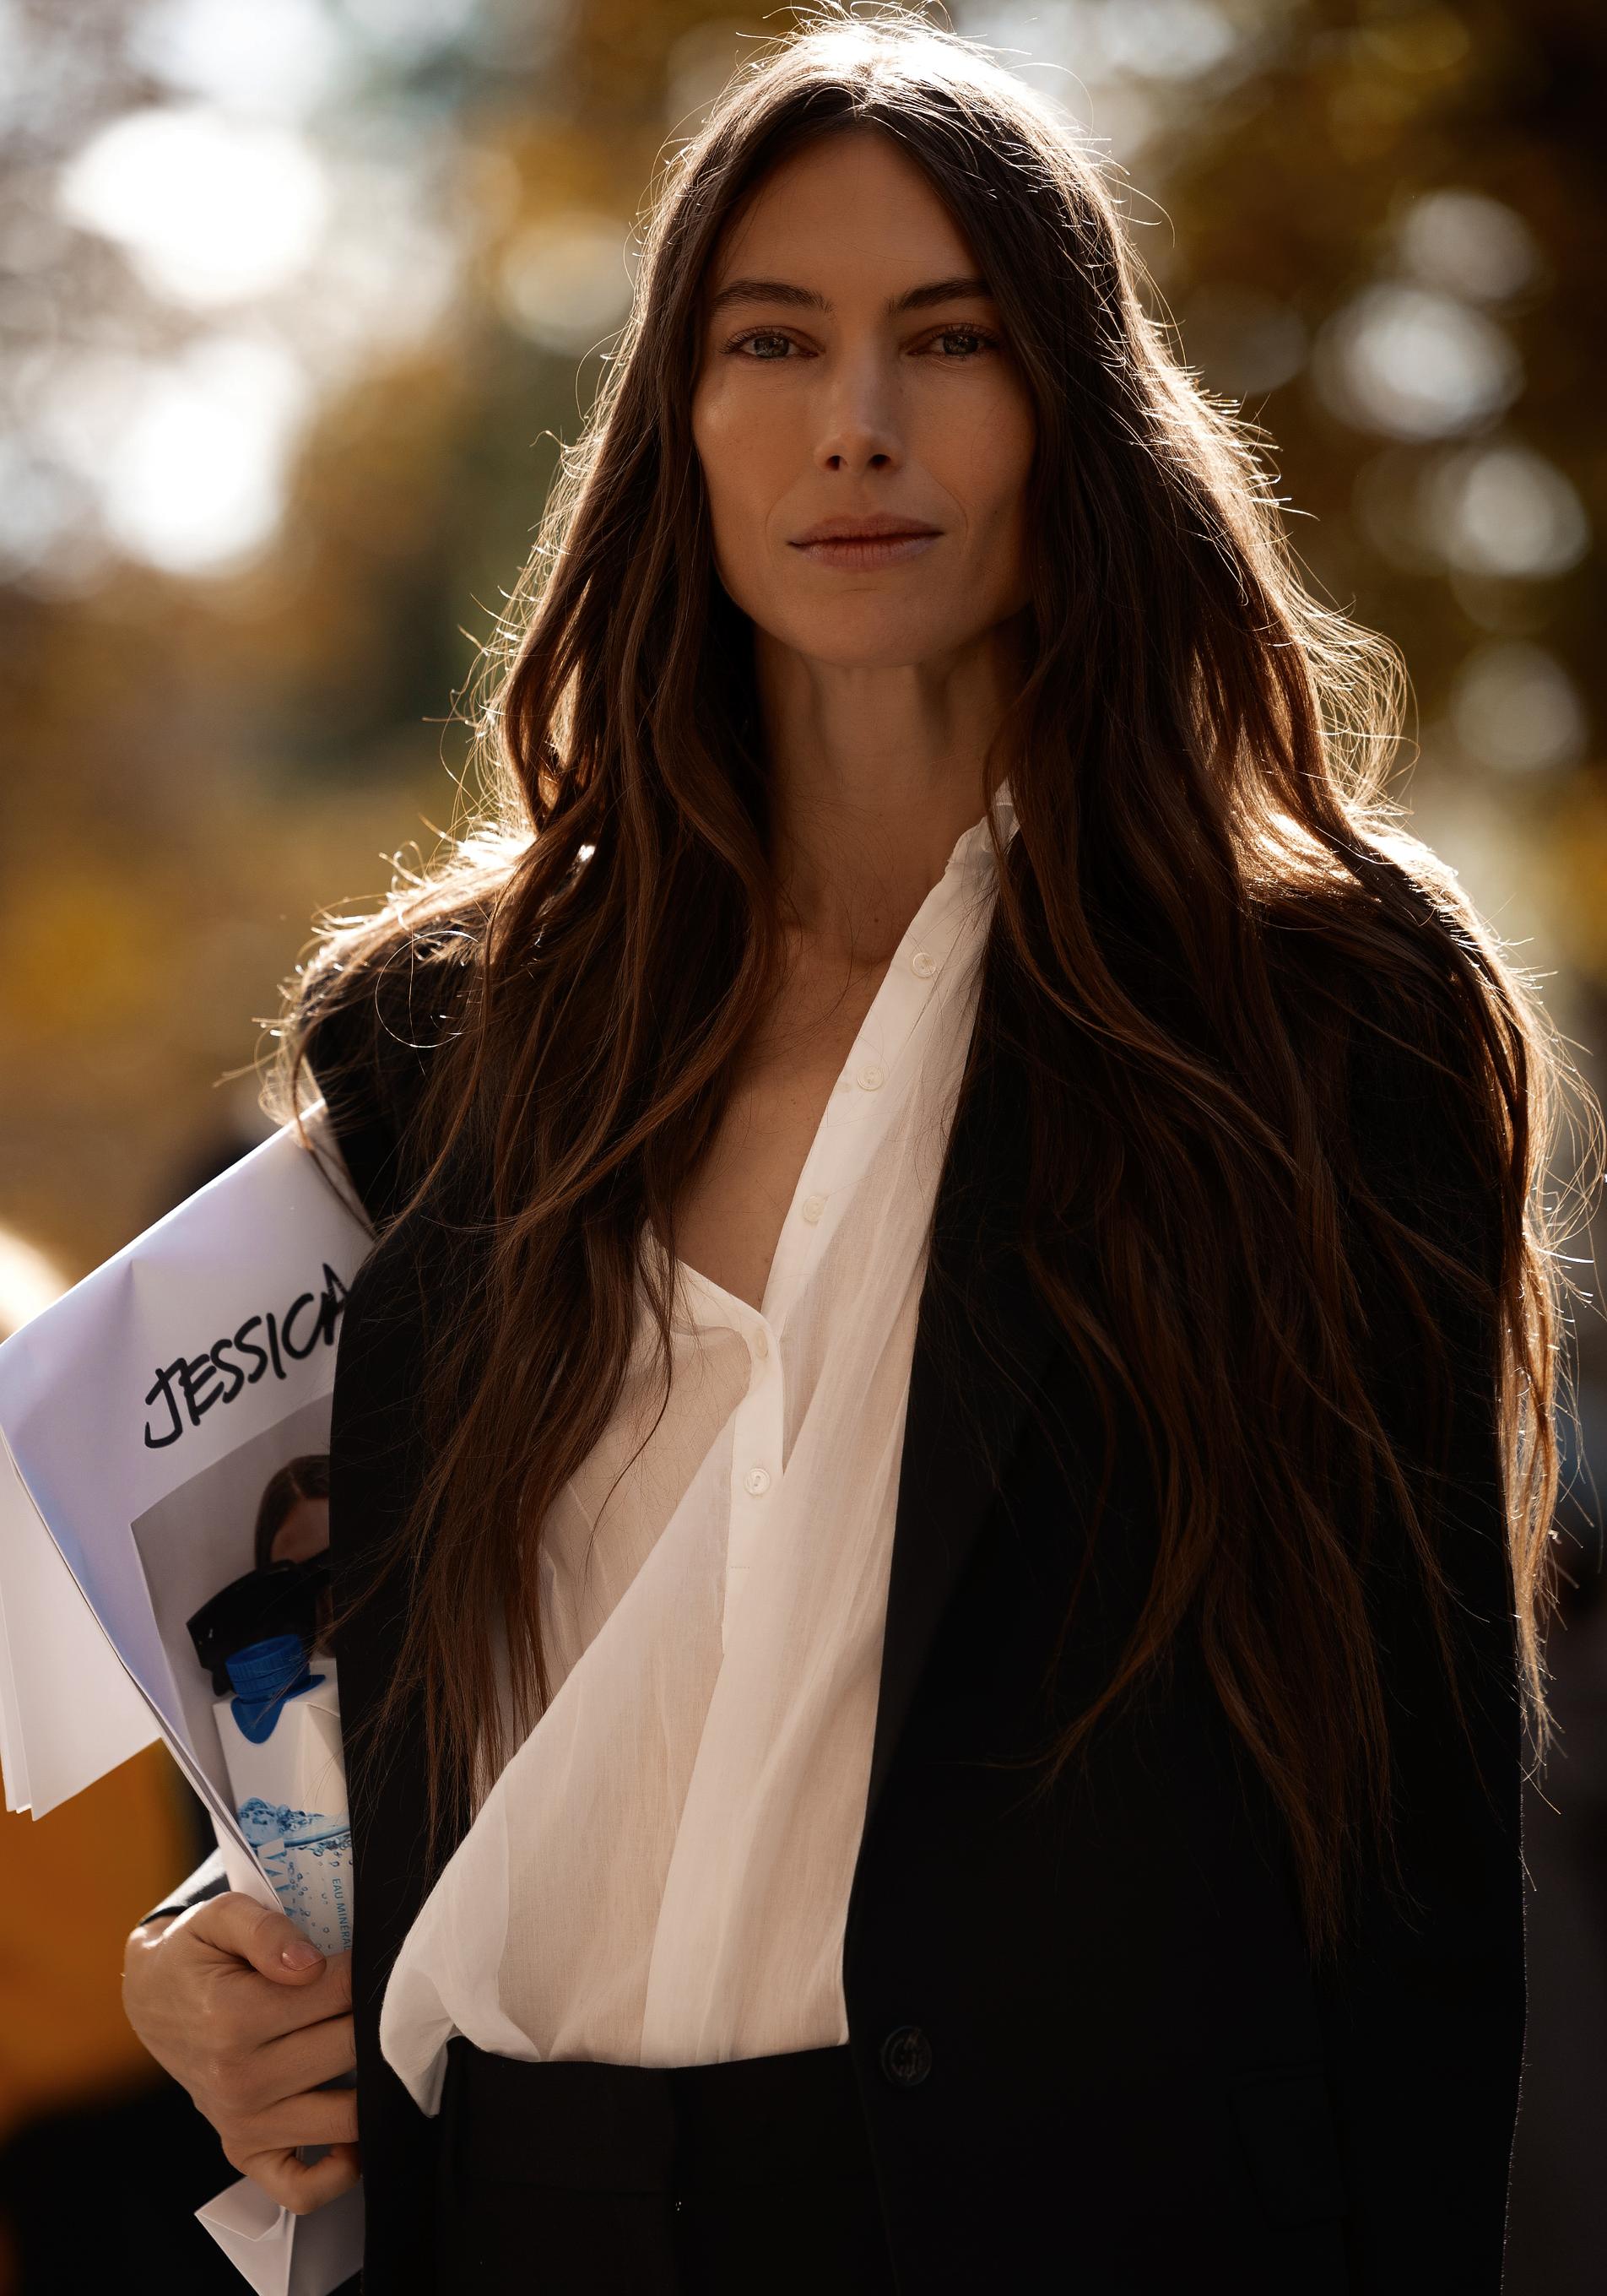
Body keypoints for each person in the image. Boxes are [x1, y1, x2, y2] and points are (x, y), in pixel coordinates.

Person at [119, 14, 1589, 2293]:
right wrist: (211, 1952)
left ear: (1071, 419)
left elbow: (1406, 1876)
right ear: (675, 425)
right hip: (512, 2221)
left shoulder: (1318, 1021)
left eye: (949, 341)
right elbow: (357, 1689)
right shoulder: (454, 1037)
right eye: (774, 340)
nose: (857, 423)